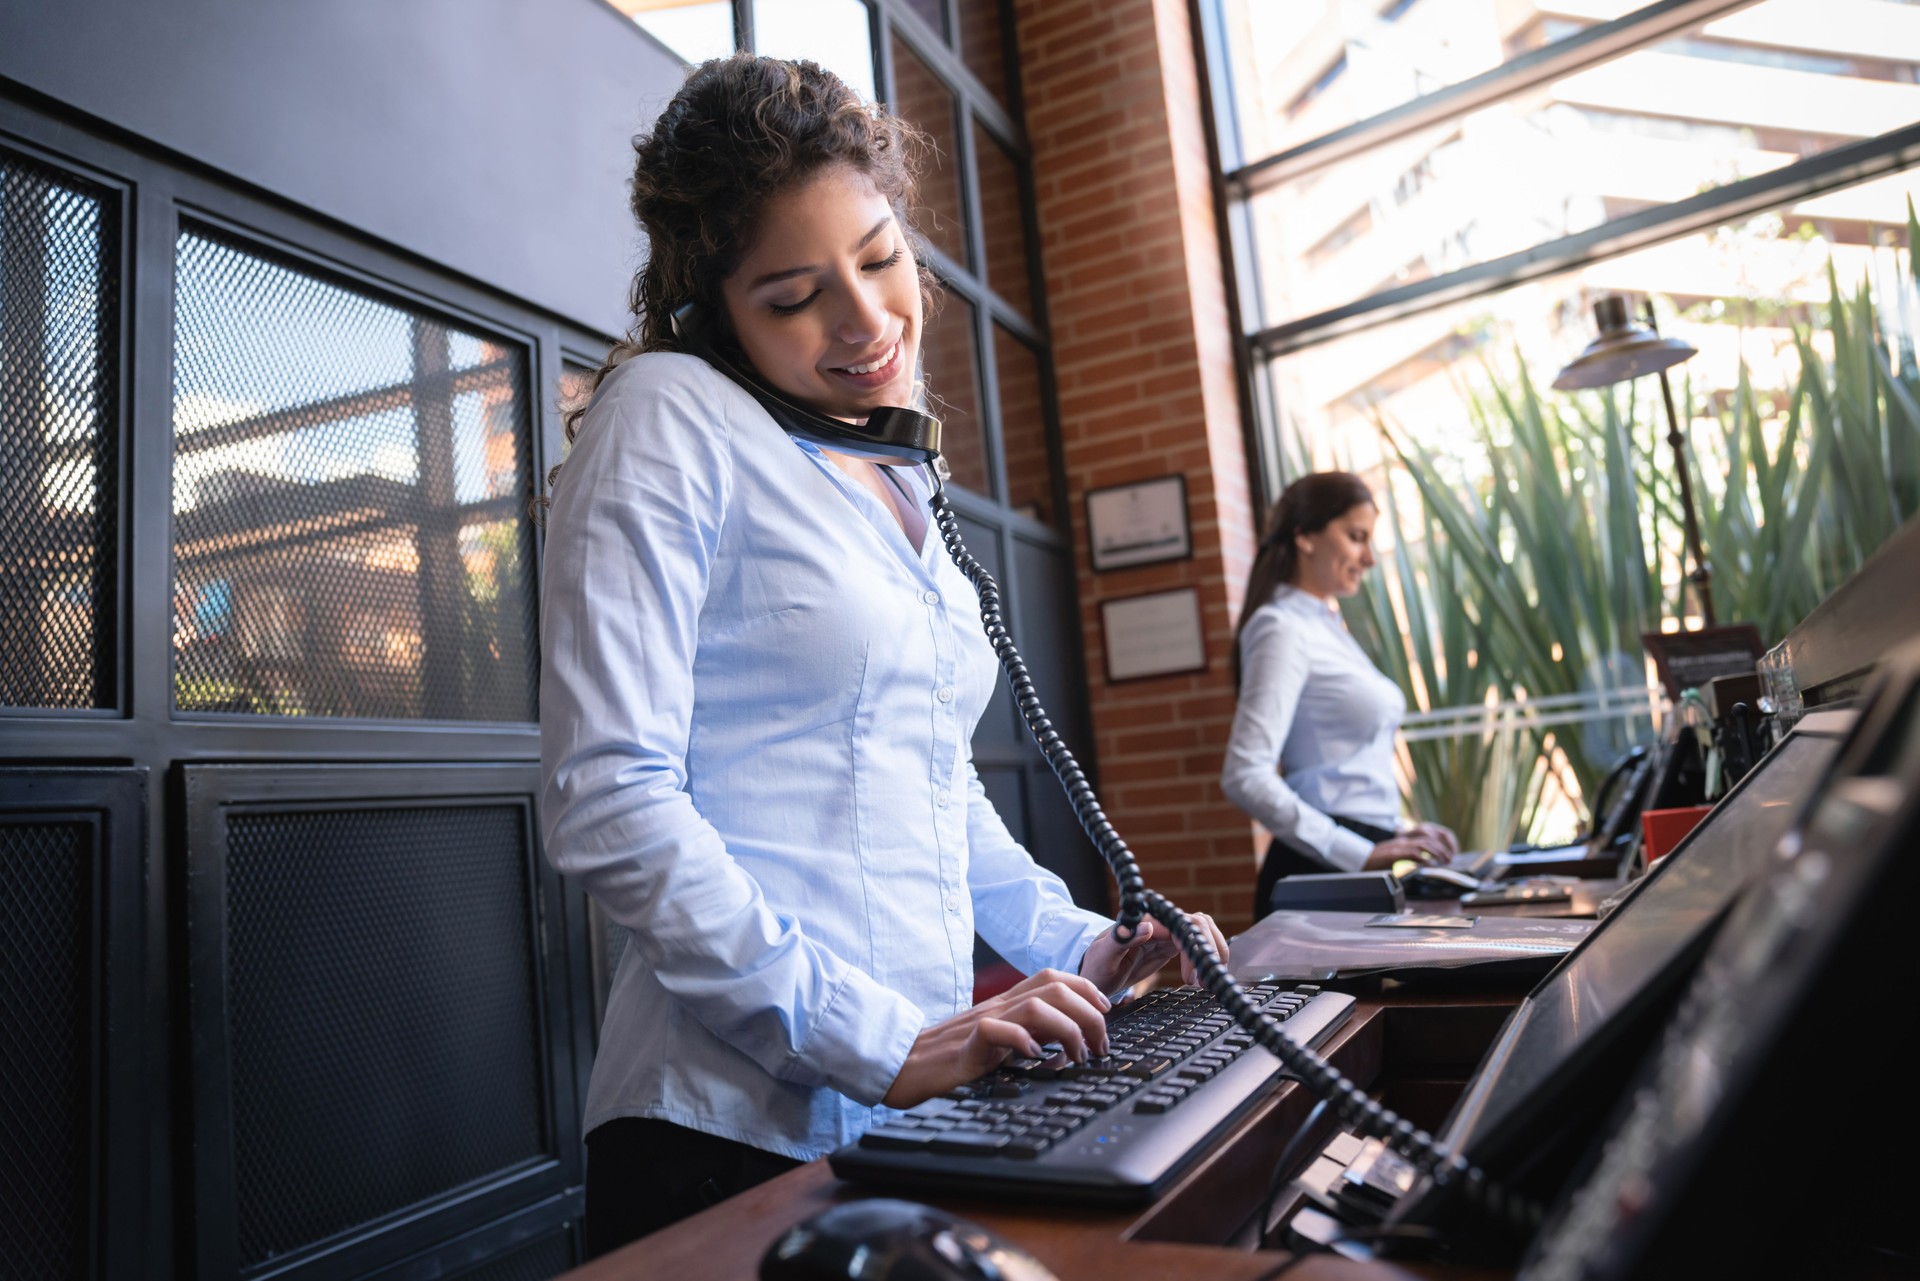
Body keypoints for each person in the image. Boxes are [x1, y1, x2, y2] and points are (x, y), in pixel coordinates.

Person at [538, 55, 1227, 1256]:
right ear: (712, 315)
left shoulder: (886, 465)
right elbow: (610, 800)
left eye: (879, 258)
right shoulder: (666, 415)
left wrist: (1083, 946)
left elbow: (927, 782)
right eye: (795, 294)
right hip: (725, 1132)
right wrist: (883, 1041)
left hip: (918, 1105)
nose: (865, 323)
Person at [1219, 472, 1460, 922]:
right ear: (1306, 536)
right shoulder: (1281, 627)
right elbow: (1244, 774)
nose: (1369, 557)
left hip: (1357, 855)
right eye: (1355, 537)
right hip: (1323, 872)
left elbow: (1346, 767)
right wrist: (1355, 850)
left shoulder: (1326, 628)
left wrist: (1397, 830)